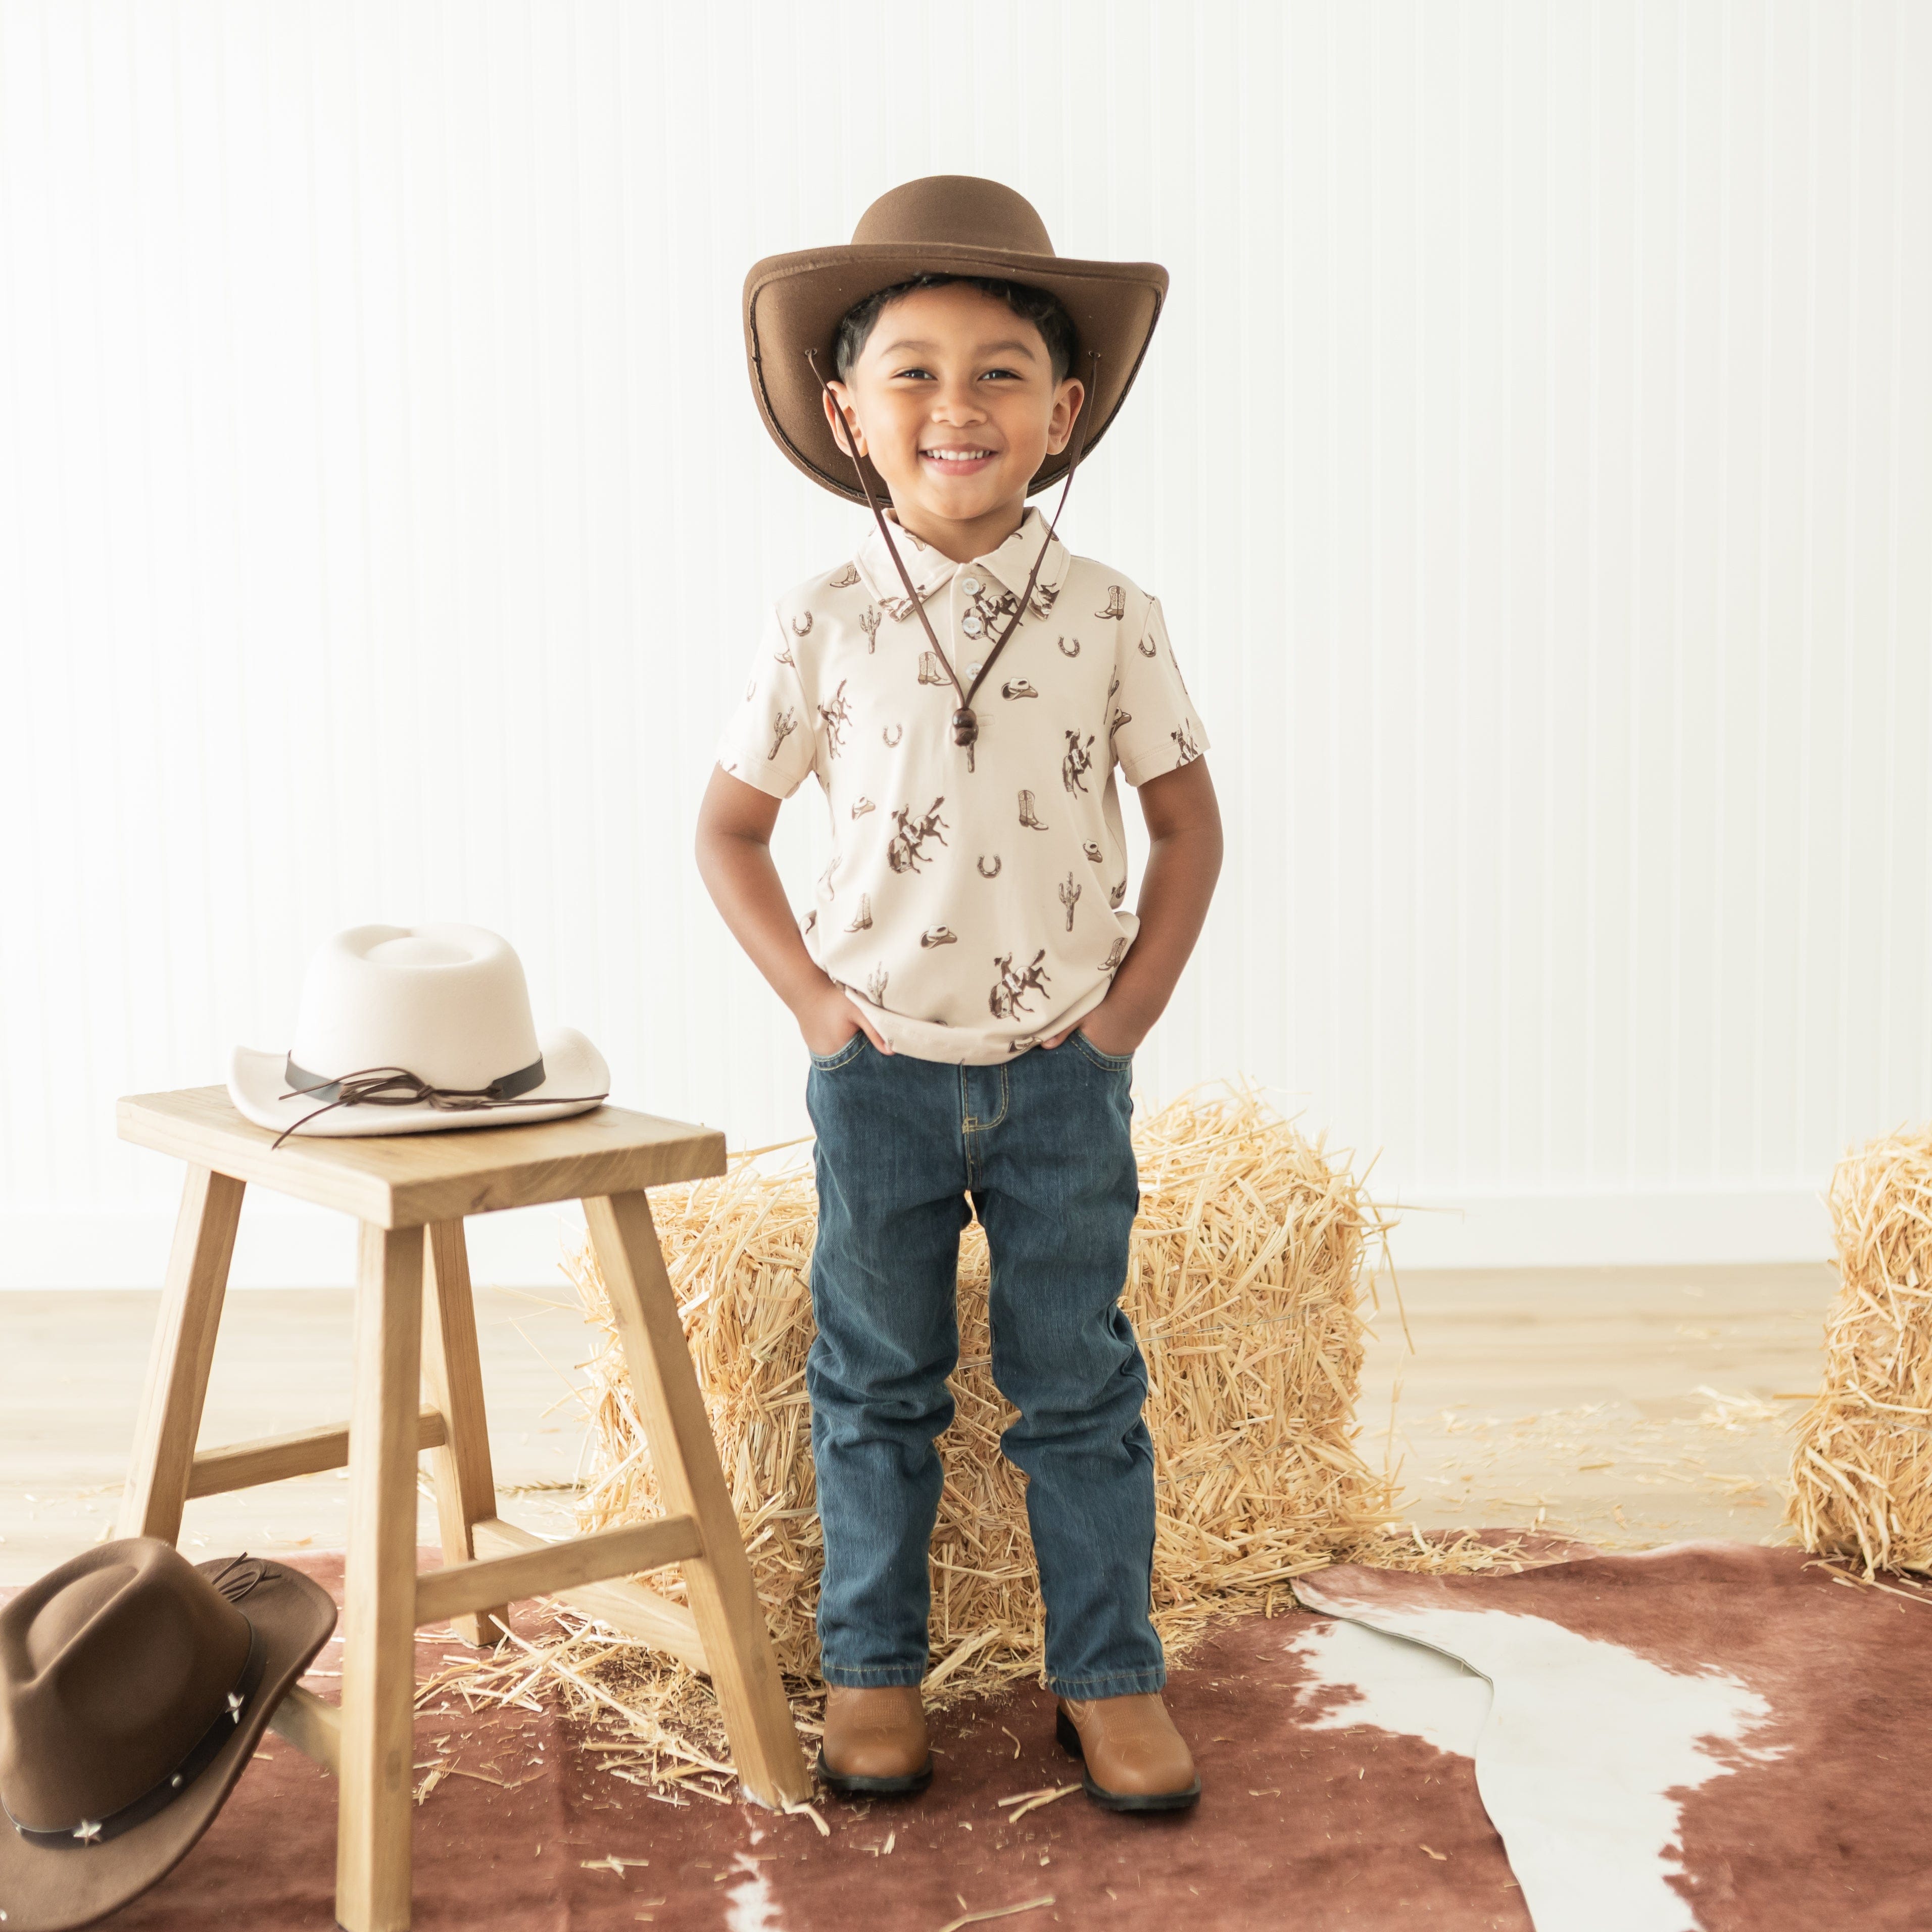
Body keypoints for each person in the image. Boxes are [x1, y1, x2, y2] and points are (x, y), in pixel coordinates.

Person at [696, 176, 1222, 1813]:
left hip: (1066, 1075)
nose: (957, 406)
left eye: (1000, 371)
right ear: (849, 413)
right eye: (913, 371)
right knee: (874, 1381)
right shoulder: (822, 618)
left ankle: (1108, 1678)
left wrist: (1123, 1019)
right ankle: (872, 1671)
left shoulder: (1113, 615)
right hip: (881, 1076)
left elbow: (1188, 821)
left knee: (1079, 1380)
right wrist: (813, 1011)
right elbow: (728, 829)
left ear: (1061, 413)